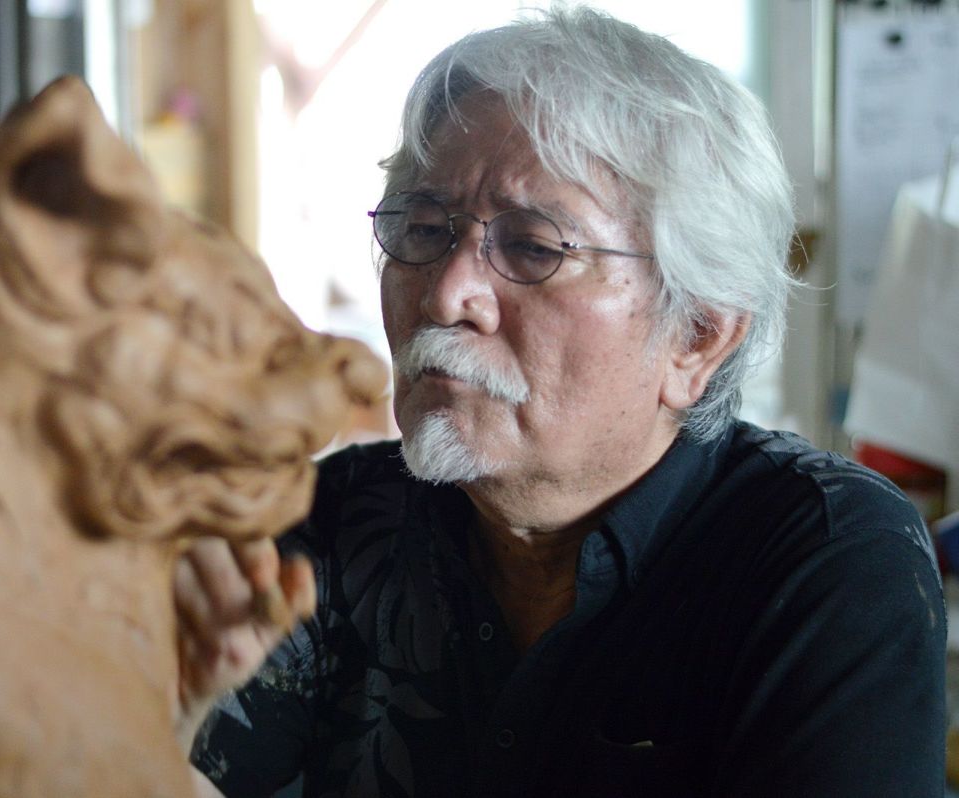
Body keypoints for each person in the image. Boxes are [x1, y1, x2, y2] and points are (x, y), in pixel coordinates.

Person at [172, 5, 947, 797]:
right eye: (425, 229)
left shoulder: (824, 556)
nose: (447, 294)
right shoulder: (328, 527)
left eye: (534, 247)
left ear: (696, 337)